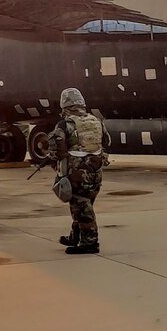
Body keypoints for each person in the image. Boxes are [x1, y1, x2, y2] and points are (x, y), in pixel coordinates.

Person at [47, 87, 107, 254]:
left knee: (81, 205)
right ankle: (75, 236)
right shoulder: (96, 120)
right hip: (96, 171)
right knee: (84, 204)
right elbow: (106, 141)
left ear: (64, 106)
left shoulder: (65, 124)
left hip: (77, 173)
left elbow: (57, 150)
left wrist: (54, 163)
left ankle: (90, 242)